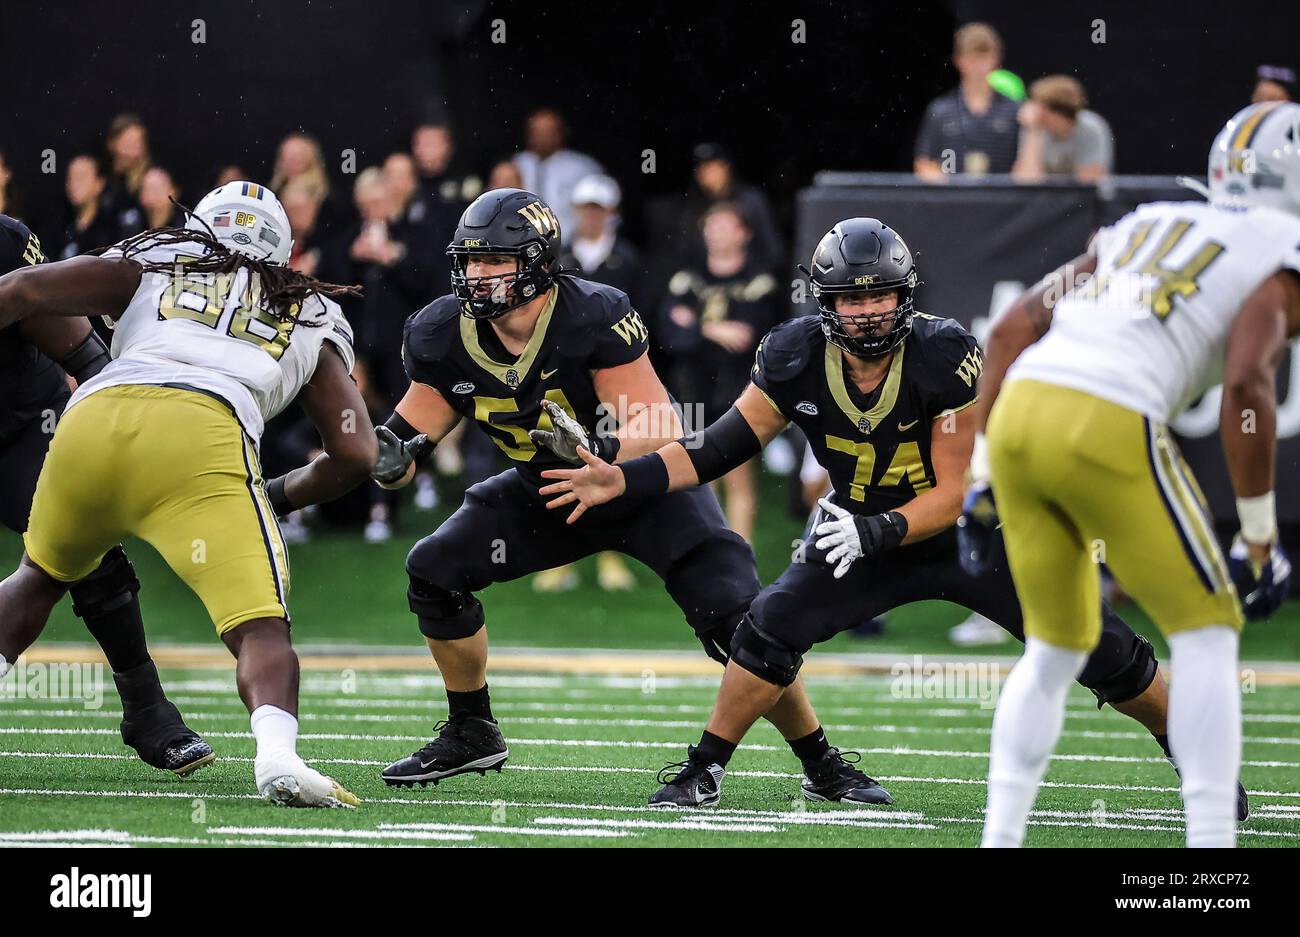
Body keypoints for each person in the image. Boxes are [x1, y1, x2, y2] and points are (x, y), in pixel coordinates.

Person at [537, 217, 1233, 817]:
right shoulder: (793, 353)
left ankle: (1194, 757)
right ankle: (706, 768)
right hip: (859, 531)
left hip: (969, 533)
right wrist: (622, 476)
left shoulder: (943, 352)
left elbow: (954, 489)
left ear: (905, 296)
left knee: (1099, 645)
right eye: (852, 296)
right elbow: (720, 445)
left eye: (881, 295)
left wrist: (879, 529)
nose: (868, 310)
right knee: (767, 628)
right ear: (825, 302)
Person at [357, 188, 883, 806]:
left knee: (741, 626)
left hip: (642, 487)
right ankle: (472, 728)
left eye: (494, 261)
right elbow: (407, 436)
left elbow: (654, 423)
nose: (477, 276)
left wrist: (606, 469)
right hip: (548, 491)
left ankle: (821, 762)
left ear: (536, 261)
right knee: (434, 570)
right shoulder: (442, 331)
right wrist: (383, 460)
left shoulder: (591, 313)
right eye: (469, 262)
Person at [960, 102, 1300, 848]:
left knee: (1053, 647)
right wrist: (1260, 536)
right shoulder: (1283, 243)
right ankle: (1213, 852)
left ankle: (1001, 839)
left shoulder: (1145, 223)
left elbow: (1015, 325)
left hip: (1022, 416)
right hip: (1105, 418)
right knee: (1209, 630)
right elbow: (1248, 383)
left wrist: (982, 471)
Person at [0, 180, 388, 807]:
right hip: (202, 433)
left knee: (37, 578)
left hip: (93, 418)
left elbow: (22, 290)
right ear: (282, 248)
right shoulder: (311, 306)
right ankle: (278, 759)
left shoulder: (158, 256)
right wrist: (281, 494)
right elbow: (356, 452)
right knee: (260, 627)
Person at [0, 212, 213, 776]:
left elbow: (84, 356)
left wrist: (116, 435)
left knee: (83, 547)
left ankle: (146, 708)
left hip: (20, 425)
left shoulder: (4, 245)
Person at [542, 173, 644, 592]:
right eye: (585, 209)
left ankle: (611, 557)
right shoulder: (558, 258)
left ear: (611, 213)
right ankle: (559, 559)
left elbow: (641, 318)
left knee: (611, 463)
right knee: (555, 464)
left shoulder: (628, 259)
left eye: (597, 209)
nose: (590, 216)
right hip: (562, 375)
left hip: (613, 374)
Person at [658, 202, 780, 542]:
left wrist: (693, 324)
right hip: (693, 392)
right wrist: (712, 330)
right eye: (710, 226)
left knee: (738, 478)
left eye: (725, 226)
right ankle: (705, 554)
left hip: (739, 394)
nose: (715, 233)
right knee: (697, 477)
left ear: (744, 234)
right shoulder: (687, 277)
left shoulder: (759, 280)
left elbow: (750, 336)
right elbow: (670, 337)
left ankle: (741, 552)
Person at [914, 23, 1020, 179]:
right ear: (958, 60)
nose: (978, 65)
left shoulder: (1014, 110)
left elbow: (1025, 170)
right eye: (971, 57)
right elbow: (924, 163)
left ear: (997, 60)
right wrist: (949, 186)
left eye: (984, 57)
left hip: (1001, 199)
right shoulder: (940, 110)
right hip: (954, 200)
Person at [512, 108, 602, 238]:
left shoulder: (582, 167)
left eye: (548, 131)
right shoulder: (516, 165)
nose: (542, 137)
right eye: (537, 132)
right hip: (524, 244)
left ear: (560, 133)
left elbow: (603, 208)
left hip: (568, 245)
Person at [1012, 75, 1114, 183]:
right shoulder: (1034, 127)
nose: (1032, 110)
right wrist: (1033, 133)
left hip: (1081, 199)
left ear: (1057, 112)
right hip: (1045, 198)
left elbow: (1089, 184)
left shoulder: (1091, 128)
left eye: (1038, 105)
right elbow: (1026, 182)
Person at [137, 166, 184, 230]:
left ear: (174, 193)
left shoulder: (186, 230)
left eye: (156, 192)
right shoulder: (132, 228)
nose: (150, 199)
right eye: (145, 191)